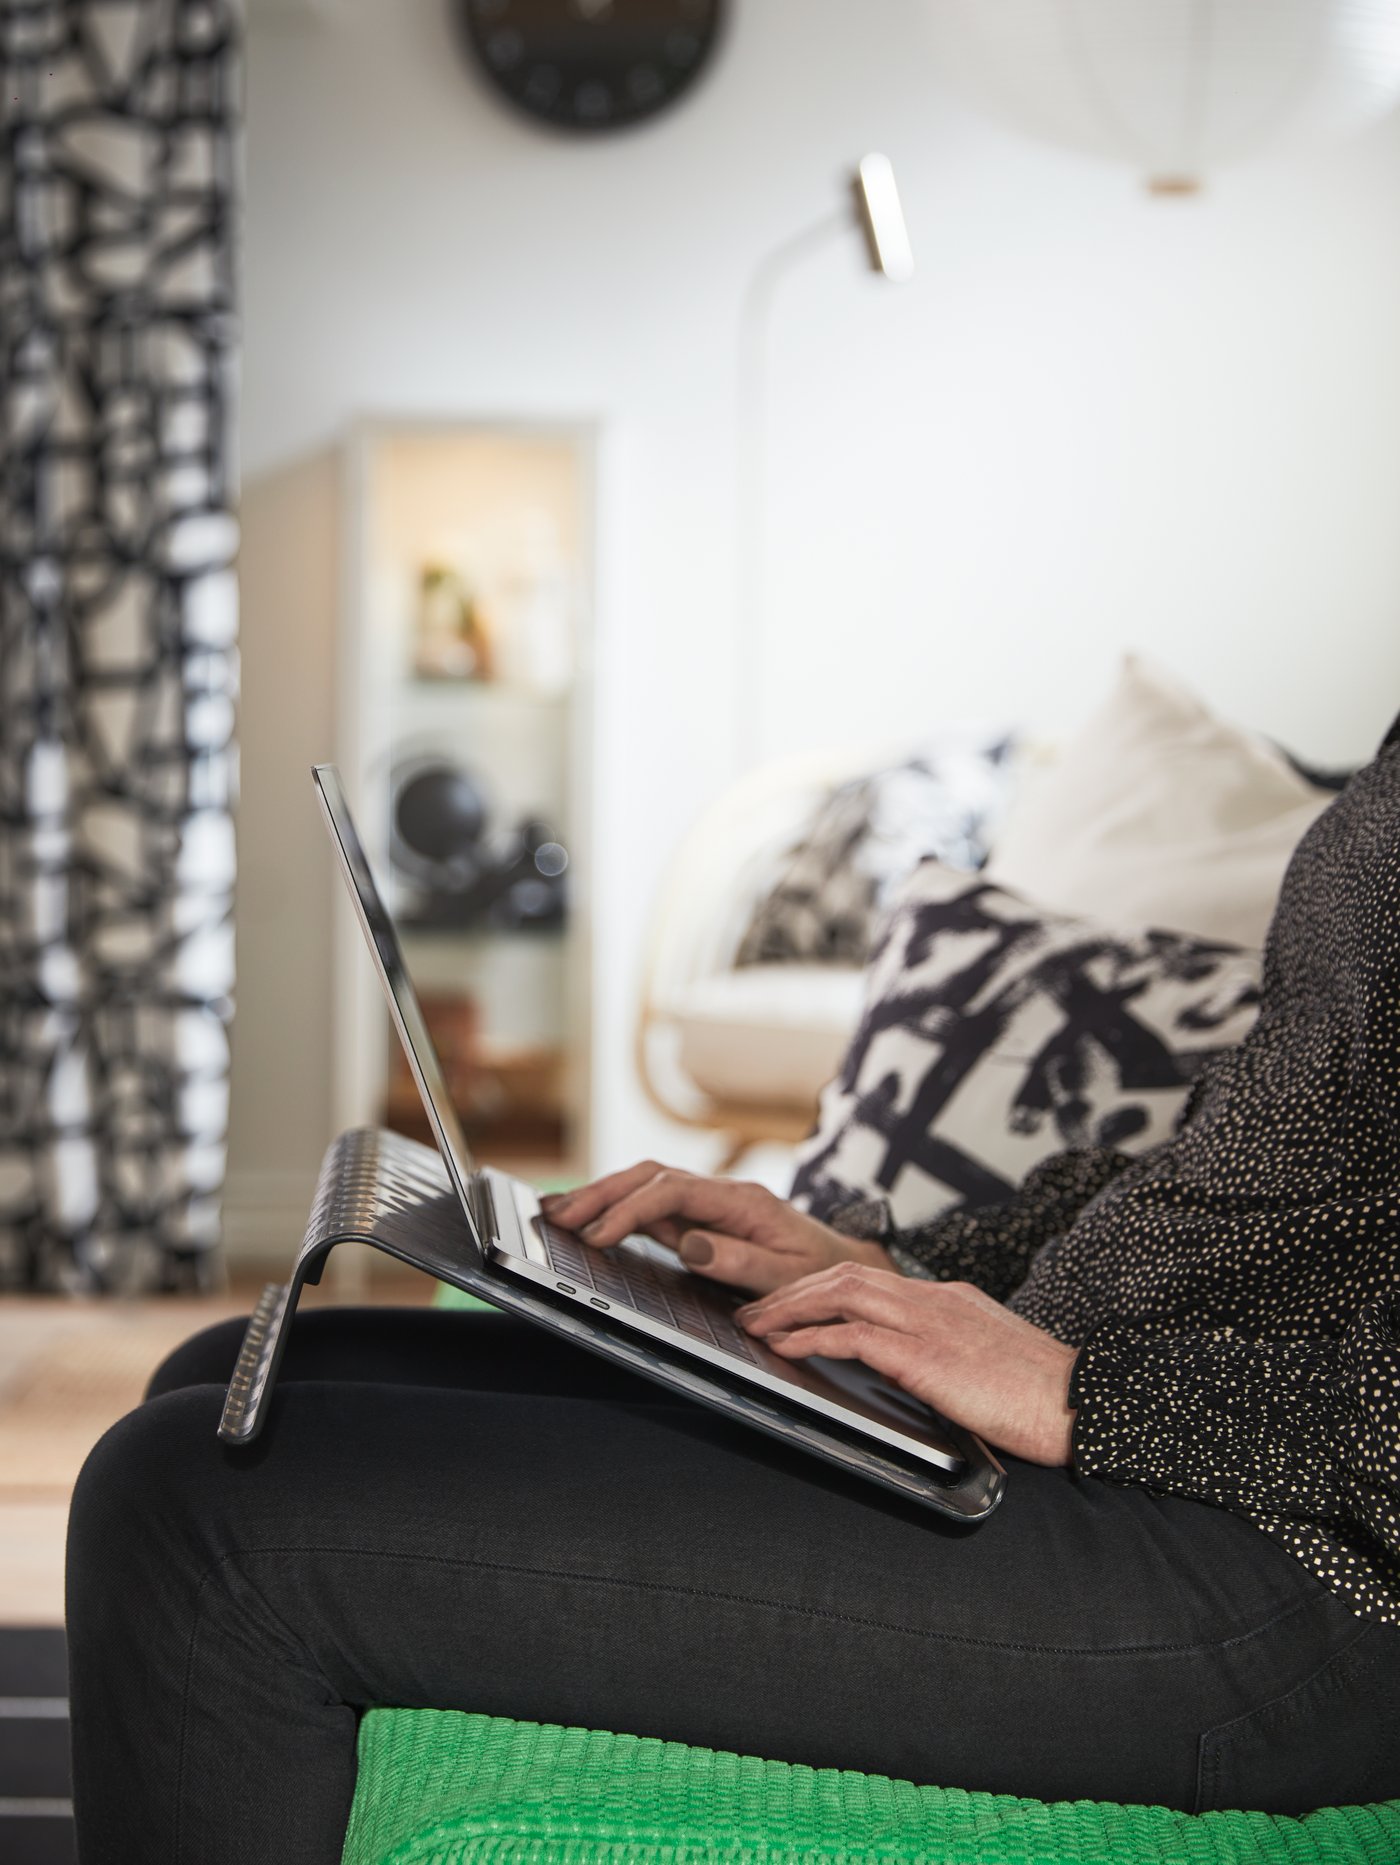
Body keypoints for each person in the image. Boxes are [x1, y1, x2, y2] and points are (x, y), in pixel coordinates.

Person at [66, 719, 1400, 1865]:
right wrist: (887, 1261)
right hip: (1122, 1416)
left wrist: (1081, 1391)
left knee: (199, 1512)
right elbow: (1254, 1157)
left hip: (1285, 1550)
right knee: (238, 1366)